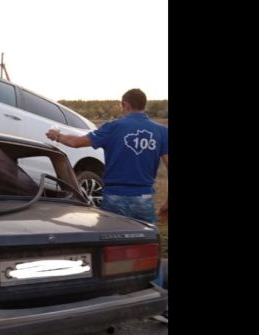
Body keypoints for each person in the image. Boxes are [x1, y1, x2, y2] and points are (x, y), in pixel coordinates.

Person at [46, 88, 168, 322]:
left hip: (114, 197)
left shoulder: (113, 128)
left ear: (125, 105)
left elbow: (76, 142)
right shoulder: (161, 132)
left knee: (108, 247)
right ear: (144, 105)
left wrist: (56, 136)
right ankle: (158, 306)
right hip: (143, 198)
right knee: (151, 247)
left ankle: (108, 296)